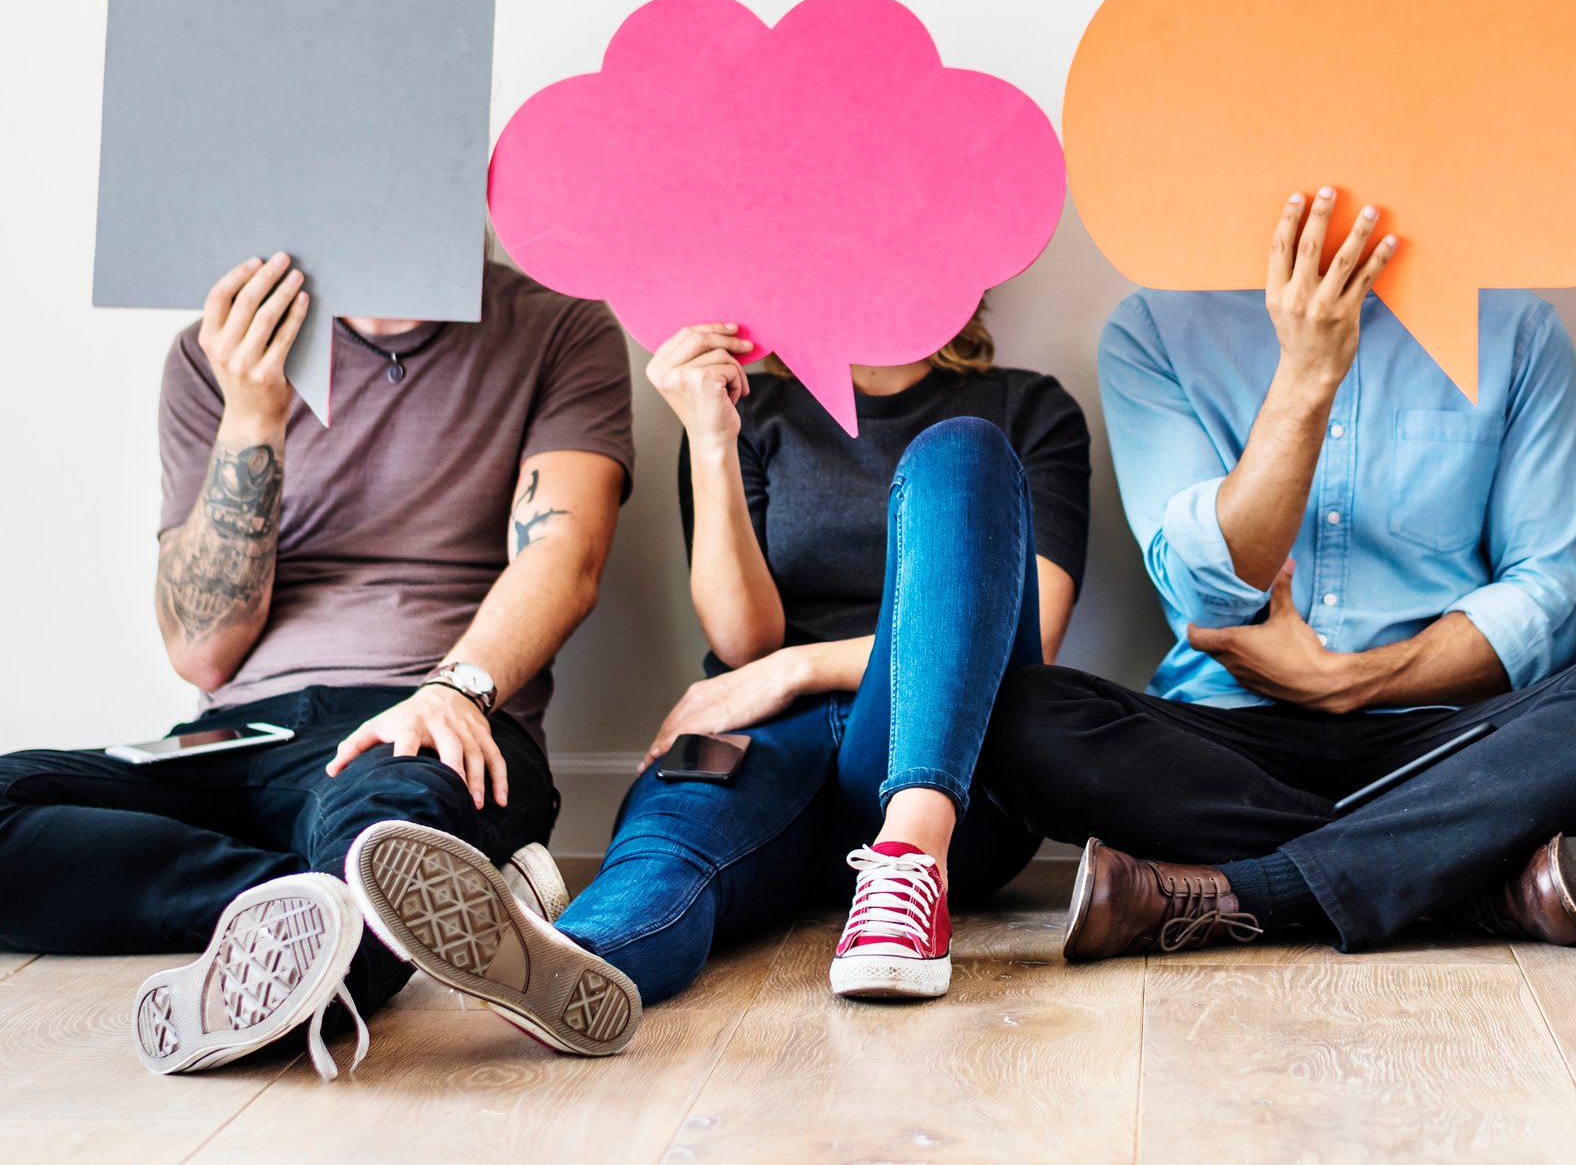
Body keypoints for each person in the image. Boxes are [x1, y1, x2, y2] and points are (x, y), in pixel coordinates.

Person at [975, 187, 1576, 960]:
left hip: (1444, 746)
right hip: (1226, 741)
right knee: (1014, 713)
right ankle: (1461, 873)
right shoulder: (1157, 326)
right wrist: (1306, 374)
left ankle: (1251, 891)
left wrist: (1354, 680)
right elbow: (1204, 592)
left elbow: (1546, 599)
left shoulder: (1517, 328)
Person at [347, 303, 1090, 1044]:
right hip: (772, 739)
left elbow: (1034, 626)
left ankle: (907, 865)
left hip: (946, 770)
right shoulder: (755, 412)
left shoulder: (1029, 409)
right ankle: (566, 958)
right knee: (672, 843)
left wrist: (794, 669)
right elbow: (743, 640)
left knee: (961, 451)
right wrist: (711, 439)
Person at [0, 252, 634, 1077]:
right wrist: (254, 414)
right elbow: (202, 648)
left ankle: (335, 922)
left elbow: (563, 557)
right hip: (241, 733)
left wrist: (455, 689)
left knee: (384, 830)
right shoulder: (214, 352)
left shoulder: (560, 324)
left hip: (428, 713)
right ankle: (388, 908)